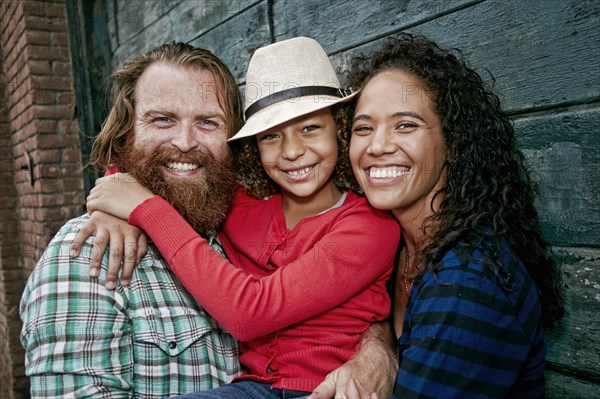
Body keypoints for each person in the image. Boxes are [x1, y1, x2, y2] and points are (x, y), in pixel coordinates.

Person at [20, 41, 395, 399]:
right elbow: (149, 168)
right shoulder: (95, 251)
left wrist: (378, 347)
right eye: (163, 119)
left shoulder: (361, 224)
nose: (185, 142)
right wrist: (117, 192)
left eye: (207, 123)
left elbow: (264, 310)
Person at [335, 33, 564, 398]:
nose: (376, 146)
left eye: (405, 125)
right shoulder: (398, 248)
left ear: (453, 143)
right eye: (364, 128)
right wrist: (376, 343)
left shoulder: (467, 280)